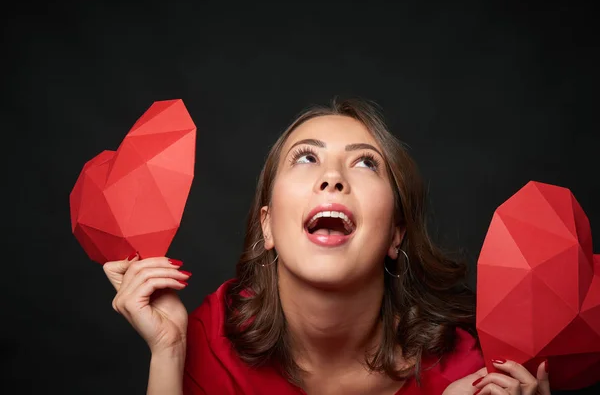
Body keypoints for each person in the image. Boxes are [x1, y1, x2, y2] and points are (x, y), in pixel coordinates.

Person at [103, 98, 551, 394]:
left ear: (396, 233)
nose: (333, 176)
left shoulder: (463, 373)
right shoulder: (208, 339)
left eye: (365, 163)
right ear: (268, 227)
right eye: (306, 157)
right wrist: (168, 352)